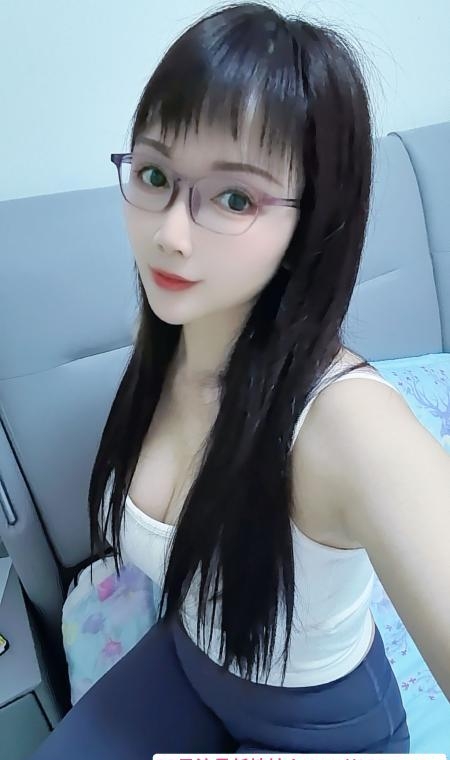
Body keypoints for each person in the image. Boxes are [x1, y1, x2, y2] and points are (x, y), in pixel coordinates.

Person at [31, 3, 450, 758]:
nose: (170, 234)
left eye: (234, 198)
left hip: (321, 726)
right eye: (155, 175)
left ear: (311, 221)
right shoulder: (171, 333)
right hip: (187, 663)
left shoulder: (349, 426)